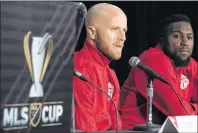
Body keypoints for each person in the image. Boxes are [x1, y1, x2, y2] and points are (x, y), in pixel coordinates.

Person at [119, 14, 198, 129]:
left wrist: (190, 108)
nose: (185, 43)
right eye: (176, 36)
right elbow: (182, 115)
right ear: (162, 42)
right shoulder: (152, 60)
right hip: (133, 130)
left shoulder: (191, 64)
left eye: (189, 37)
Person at [73, 3, 127, 132]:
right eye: (114, 29)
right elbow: (85, 128)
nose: (123, 38)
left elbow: (117, 127)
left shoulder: (110, 74)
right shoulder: (79, 67)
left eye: (124, 30)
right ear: (92, 32)